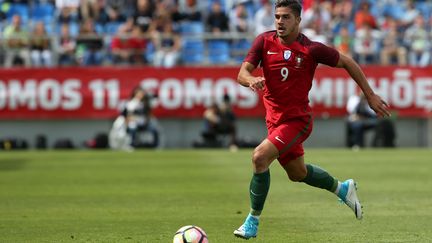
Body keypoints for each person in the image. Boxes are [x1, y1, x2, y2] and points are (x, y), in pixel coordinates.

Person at [233, 0, 390, 240]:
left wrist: (369, 95)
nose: (279, 22)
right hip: (274, 122)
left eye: (285, 17)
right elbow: (242, 73)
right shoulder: (264, 42)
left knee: (259, 157)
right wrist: (251, 79)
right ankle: (342, 188)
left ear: (298, 20)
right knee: (298, 173)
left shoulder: (311, 49)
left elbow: (348, 62)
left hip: (297, 121)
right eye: (277, 17)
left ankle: (252, 220)